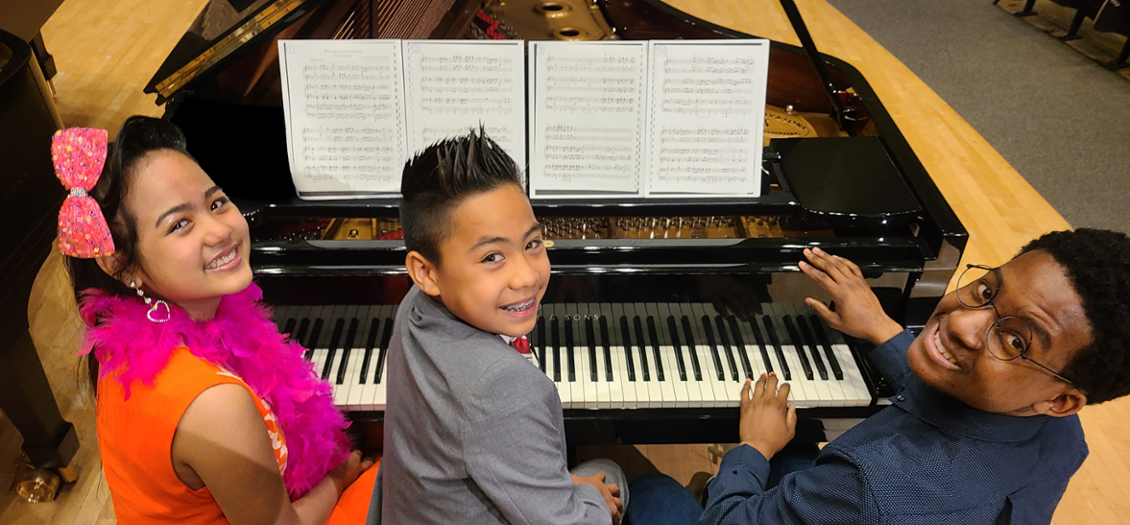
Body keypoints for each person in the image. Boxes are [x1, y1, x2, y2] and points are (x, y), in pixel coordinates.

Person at [59, 117, 377, 525]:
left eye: (216, 202)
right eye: (180, 224)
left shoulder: (127, 334)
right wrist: (340, 474)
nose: (219, 230)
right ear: (120, 263)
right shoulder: (213, 404)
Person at [691, 230, 1130, 524]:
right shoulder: (1063, 430)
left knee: (653, 490)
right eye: (987, 291)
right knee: (802, 443)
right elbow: (950, 403)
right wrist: (881, 329)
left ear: (1060, 399)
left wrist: (753, 449)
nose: (961, 324)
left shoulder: (870, 487)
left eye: (1015, 342)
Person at [375, 129, 627, 525]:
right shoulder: (502, 389)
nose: (526, 276)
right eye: (493, 256)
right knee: (615, 475)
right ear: (425, 272)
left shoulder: (417, 304)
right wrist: (588, 495)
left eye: (532, 244)